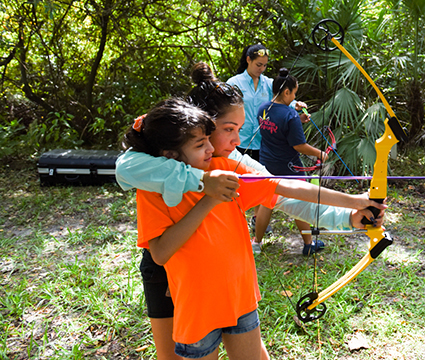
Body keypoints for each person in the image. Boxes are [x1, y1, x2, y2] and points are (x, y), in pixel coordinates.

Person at [116, 62, 385, 360]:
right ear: (201, 124)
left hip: (228, 283)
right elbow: (124, 168)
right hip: (168, 274)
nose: (237, 140)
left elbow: (284, 191)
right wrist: (206, 185)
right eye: (228, 129)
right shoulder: (152, 164)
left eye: (239, 130)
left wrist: (353, 210)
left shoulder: (232, 164)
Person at [226, 44, 309, 243]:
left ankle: (257, 221)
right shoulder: (234, 83)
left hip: (264, 143)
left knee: (262, 183)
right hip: (240, 141)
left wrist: (298, 110)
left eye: (264, 65)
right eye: (258, 64)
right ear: (248, 60)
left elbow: (283, 100)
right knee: (238, 183)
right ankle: (235, 220)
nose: (261, 69)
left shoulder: (268, 83)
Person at [256, 68, 329, 255]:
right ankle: (308, 244)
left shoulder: (263, 108)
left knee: (267, 201)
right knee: (300, 201)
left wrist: (298, 119)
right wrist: (320, 154)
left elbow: (278, 128)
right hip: (289, 167)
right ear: (286, 91)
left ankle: (256, 243)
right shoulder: (289, 116)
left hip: (267, 163)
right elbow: (299, 145)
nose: (295, 97)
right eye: (294, 92)